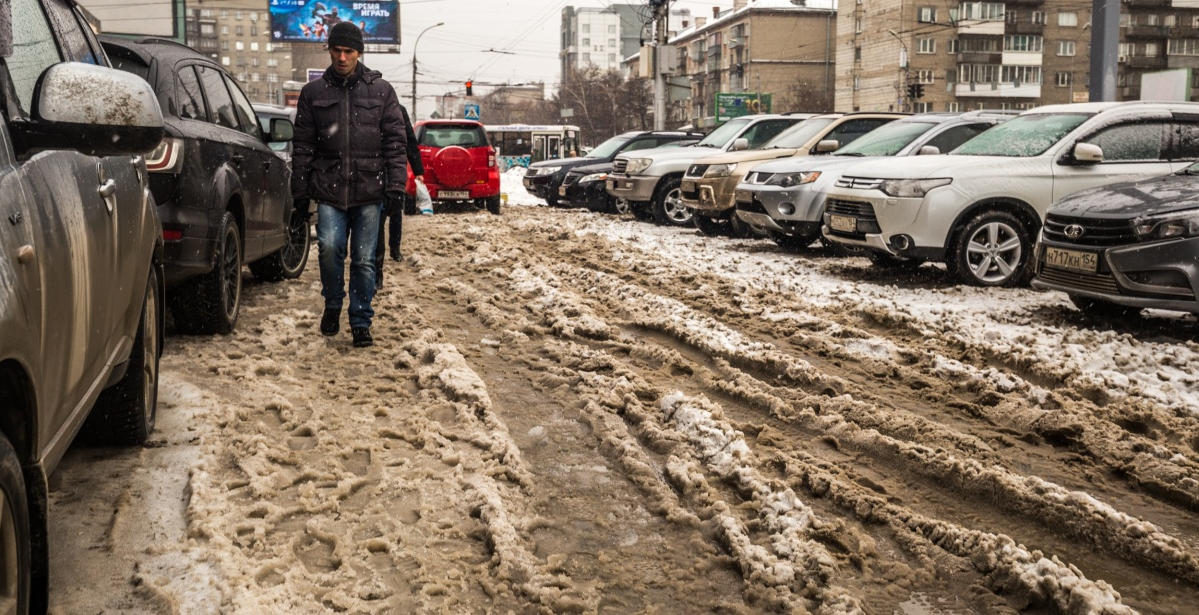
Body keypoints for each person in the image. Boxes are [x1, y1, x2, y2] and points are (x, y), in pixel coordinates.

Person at [292, 22, 407, 348]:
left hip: (370, 188)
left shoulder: (382, 91)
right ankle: (332, 303)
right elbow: (302, 146)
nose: (342, 57)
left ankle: (360, 321)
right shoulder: (313, 94)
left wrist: (396, 187)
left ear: (359, 53)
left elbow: (395, 143)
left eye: (349, 51)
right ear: (329, 50)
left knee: (364, 259)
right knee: (329, 248)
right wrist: (299, 192)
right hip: (329, 187)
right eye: (337, 50)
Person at [374, 103, 423, 290]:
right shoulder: (369, 107)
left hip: (393, 172)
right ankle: (377, 270)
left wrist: (417, 169)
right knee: (378, 220)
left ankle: (394, 249)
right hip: (375, 172)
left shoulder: (398, 109)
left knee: (393, 212)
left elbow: (410, 141)